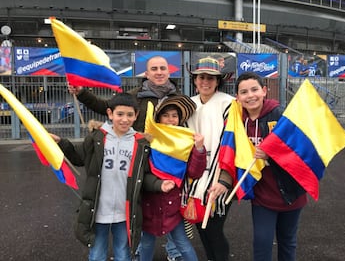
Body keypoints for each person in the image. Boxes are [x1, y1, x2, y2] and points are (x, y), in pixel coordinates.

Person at [68, 55, 184, 260]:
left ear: (169, 72)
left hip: (168, 162)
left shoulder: (179, 97)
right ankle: (138, 247)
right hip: (140, 159)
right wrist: (82, 93)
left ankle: (173, 251)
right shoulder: (135, 96)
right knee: (139, 208)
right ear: (146, 73)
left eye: (162, 68)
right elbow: (106, 106)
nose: (159, 72)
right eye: (154, 69)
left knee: (171, 211)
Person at [50, 93, 151, 261]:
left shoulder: (141, 143)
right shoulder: (97, 138)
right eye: (120, 114)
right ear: (110, 114)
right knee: (97, 254)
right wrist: (61, 142)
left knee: (123, 254)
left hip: (124, 211)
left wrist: (161, 184)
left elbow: (145, 174)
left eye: (129, 115)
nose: (124, 119)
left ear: (136, 116)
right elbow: (78, 157)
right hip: (98, 209)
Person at [233, 72, 308, 261]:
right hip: (262, 197)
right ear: (238, 97)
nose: (250, 95)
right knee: (262, 243)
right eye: (244, 92)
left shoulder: (280, 115)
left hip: (290, 193)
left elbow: (301, 150)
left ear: (264, 91)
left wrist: (271, 154)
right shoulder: (237, 121)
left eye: (254, 89)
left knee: (287, 242)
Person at [140, 94, 207, 261]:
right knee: (146, 243)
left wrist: (199, 150)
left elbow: (194, 172)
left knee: (181, 243)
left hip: (173, 203)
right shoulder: (148, 139)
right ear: (158, 117)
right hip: (150, 202)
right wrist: (157, 184)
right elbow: (141, 172)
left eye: (174, 115)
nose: (170, 120)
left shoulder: (186, 140)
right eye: (166, 115)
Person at [185, 57, 234, 261]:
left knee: (214, 226)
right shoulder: (188, 104)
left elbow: (233, 143)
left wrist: (224, 179)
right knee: (200, 225)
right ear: (195, 80)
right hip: (195, 175)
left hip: (219, 174)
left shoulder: (229, 104)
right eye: (201, 77)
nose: (206, 82)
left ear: (218, 81)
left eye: (211, 78)